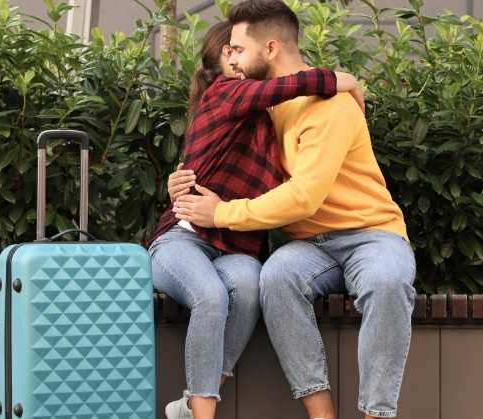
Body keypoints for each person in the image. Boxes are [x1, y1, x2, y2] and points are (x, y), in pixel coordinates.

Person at [171, 1, 417, 418]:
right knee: (276, 278)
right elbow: (218, 154)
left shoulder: (329, 105)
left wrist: (222, 213)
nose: (232, 59)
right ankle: (322, 414)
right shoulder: (262, 103)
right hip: (309, 244)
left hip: (371, 233)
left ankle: (376, 414)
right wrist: (180, 180)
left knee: (388, 281)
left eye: (239, 49)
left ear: (270, 48)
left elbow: (304, 196)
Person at [149, 20, 364, 419]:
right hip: (184, 239)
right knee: (211, 296)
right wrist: (338, 79)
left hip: (237, 247)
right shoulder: (225, 92)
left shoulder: (271, 118)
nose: (237, 57)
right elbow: (284, 85)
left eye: (240, 49)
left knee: (248, 290)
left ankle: (193, 405)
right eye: (230, 50)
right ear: (221, 57)